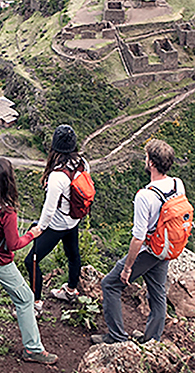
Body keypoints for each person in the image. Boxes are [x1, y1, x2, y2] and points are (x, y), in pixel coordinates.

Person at [94, 138, 185, 344]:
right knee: (157, 292)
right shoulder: (177, 184)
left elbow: (138, 237)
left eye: (146, 157)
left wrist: (128, 267)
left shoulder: (145, 196)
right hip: (167, 247)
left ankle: (117, 337)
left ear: (151, 163)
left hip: (149, 250)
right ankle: (152, 340)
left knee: (110, 285)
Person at [0, 157, 58, 365]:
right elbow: (13, 244)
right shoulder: (6, 210)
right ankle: (33, 348)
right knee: (25, 298)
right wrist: (31, 235)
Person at [24, 124, 87, 312]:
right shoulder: (82, 163)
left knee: (31, 260)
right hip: (74, 220)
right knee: (73, 254)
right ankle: (71, 290)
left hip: (57, 225)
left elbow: (49, 209)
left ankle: (36, 304)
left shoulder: (57, 177)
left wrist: (39, 228)